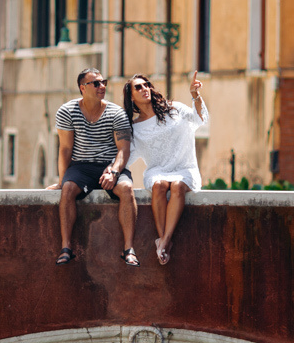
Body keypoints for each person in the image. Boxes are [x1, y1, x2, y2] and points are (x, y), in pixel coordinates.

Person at [51, 68, 139, 266]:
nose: (102, 86)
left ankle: (129, 249)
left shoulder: (116, 113)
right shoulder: (67, 111)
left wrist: (114, 172)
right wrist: (61, 181)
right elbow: (65, 149)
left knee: (126, 188)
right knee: (68, 189)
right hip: (81, 167)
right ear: (82, 88)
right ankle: (66, 248)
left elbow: (124, 150)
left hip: (110, 166)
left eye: (103, 82)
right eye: (96, 83)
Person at [123, 71, 208, 265]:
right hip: (158, 171)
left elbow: (199, 119)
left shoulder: (174, 109)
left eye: (146, 85)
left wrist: (195, 95)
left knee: (177, 186)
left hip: (184, 168)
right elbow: (126, 157)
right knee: (159, 185)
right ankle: (163, 241)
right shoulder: (135, 128)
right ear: (131, 97)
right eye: (138, 87)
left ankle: (164, 242)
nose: (144, 89)